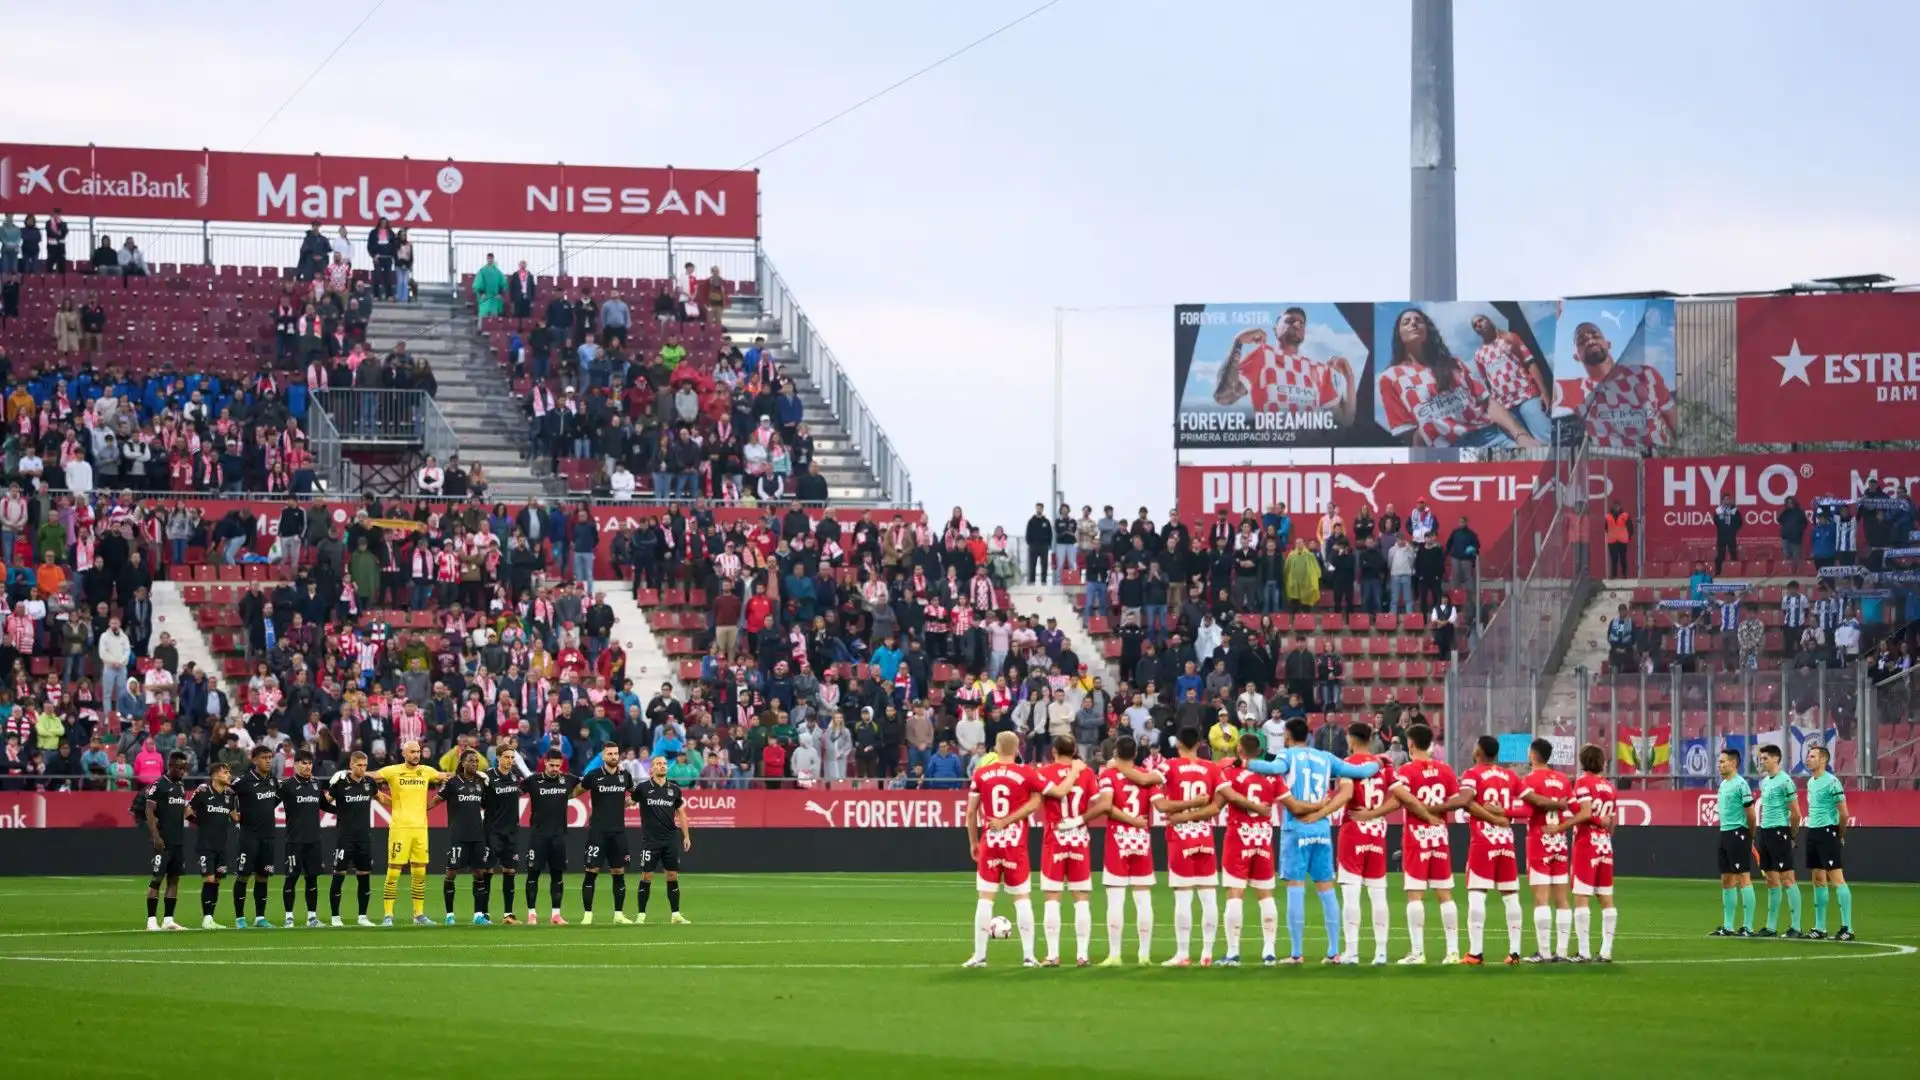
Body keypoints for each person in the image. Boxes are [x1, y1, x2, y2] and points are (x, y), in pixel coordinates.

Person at [1177, 732, 1323, 966]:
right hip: (1263, 839)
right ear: (1259, 752)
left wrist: (1184, 816)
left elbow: (1216, 808)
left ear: (1240, 751)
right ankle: (1269, 952)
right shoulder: (1272, 776)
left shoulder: (1232, 774)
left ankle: (1233, 953)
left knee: (1236, 893)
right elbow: (1295, 807)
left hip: (1239, 838)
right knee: (1265, 894)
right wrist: (1319, 805)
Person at [1244, 717, 1378, 963]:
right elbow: (1363, 772)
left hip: (1296, 828)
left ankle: (1296, 953)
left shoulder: (1287, 755)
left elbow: (1273, 769)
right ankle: (1334, 951)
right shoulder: (1326, 758)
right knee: (1326, 889)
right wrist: (1378, 763)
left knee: (1296, 889)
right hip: (1322, 829)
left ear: (1287, 734)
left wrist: (1246, 763)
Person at [963, 731, 1045, 968]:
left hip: (991, 840)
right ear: (1017, 749)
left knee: (985, 899)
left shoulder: (981, 773)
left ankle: (979, 956)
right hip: (1015, 843)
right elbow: (1037, 800)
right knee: (1021, 899)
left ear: (996, 749)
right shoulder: (1027, 773)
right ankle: (1029, 956)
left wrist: (973, 841)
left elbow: (970, 812)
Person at [1150, 726, 1224, 966]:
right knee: (1208, 895)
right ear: (1199, 744)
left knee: (1183, 896)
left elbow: (1155, 790)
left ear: (1179, 743)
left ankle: (1182, 953)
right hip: (1204, 835)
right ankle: (1207, 953)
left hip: (1180, 838)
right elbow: (1216, 806)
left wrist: (1182, 815)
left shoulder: (1169, 766)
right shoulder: (1211, 768)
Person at [1336, 720, 1408, 965]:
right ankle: (1381, 952)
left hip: (1353, 829)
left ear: (1351, 740)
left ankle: (1352, 952)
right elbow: (1399, 800)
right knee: (1378, 894)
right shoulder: (1383, 765)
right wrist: (1375, 813)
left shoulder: (1347, 765)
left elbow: (1345, 794)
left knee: (1351, 893)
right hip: (1377, 831)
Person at [1394, 723, 1462, 963]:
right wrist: (1436, 815)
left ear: (1411, 744)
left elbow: (1402, 798)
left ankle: (1417, 952)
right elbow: (1456, 801)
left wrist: (1424, 813)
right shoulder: (1445, 770)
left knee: (1415, 894)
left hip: (1416, 838)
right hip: (1440, 836)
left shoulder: (1407, 771)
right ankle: (1453, 952)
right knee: (1445, 894)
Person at [1093, 735, 1160, 966]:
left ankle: (1114, 954)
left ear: (1115, 753)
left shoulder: (1108, 775)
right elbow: (1159, 805)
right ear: (1135, 754)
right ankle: (1144, 955)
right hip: (1141, 838)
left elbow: (1107, 807)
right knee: (1143, 899)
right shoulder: (1145, 777)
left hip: (1118, 838)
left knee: (1116, 899)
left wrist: (1129, 819)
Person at [1548, 744, 1619, 962]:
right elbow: (1613, 823)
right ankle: (1606, 951)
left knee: (1581, 896)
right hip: (1605, 845)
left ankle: (1584, 951)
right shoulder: (1610, 787)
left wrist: (1561, 827)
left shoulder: (1582, 782)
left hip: (1587, 844)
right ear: (1601, 762)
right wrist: (1603, 830)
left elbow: (1585, 813)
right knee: (1606, 898)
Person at [1032, 736, 1098, 965]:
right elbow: (1099, 804)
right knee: (1081, 898)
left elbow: (1044, 797)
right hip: (1079, 838)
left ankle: (1052, 955)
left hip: (1054, 838)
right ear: (1075, 751)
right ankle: (1082, 955)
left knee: (1052, 897)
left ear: (1054, 752)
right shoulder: (1087, 773)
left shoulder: (1044, 772)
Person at [1459, 735, 1523, 965]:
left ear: (1478, 752)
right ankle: (1515, 952)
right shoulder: (1510, 776)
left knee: (1477, 892)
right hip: (1506, 841)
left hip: (1483, 841)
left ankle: (1475, 953)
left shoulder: (1471, 774)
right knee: (1510, 895)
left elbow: (1466, 801)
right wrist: (1505, 814)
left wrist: (1491, 816)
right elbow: (1530, 806)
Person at [373, 739, 447, 926]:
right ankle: (388, 915)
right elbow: (371, 777)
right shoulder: (392, 770)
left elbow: (446, 776)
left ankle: (419, 915)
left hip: (420, 829)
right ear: (404, 754)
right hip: (400, 828)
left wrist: (475, 773)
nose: (416, 755)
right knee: (393, 873)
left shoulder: (426, 771)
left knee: (420, 873)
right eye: (412, 752)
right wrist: (348, 773)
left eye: (418, 752)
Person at [1515, 738, 1574, 962]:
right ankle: (1562, 951)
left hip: (1539, 841)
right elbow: (1570, 805)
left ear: (1532, 754)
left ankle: (1544, 952)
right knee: (1562, 899)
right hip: (1559, 840)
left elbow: (1527, 810)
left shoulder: (1528, 780)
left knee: (1541, 899)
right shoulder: (1563, 780)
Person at [429, 749, 492, 925]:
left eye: (476, 761)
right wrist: (422, 810)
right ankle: (450, 914)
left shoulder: (481, 783)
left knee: (479, 874)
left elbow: (488, 805)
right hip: (458, 835)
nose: (474, 764)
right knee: (451, 873)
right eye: (471, 761)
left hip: (478, 835)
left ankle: (478, 915)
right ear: (462, 762)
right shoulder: (452, 783)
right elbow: (437, 800)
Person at [632, 754, 693, 924]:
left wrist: (686, 836)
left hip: (670, 839)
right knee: (646, 876)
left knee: (672, 875)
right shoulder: (643, 788)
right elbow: (629, 801)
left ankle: (675, 914)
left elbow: (681, 812)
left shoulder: (674, 789)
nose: (662, 766)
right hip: (650, 840)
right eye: (658, 763)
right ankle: (641, 915)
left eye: (664, 763)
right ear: (652, 768)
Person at [577, 743, 634, 924]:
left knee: (618, 872)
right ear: (603, 756)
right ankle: (587, 914)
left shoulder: (625, 775)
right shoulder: (593, 776)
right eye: (610, 753)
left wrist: (630, 800)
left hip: (618, 832)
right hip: (598, 832)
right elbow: (576, 791)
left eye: (616, 753)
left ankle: (618, 914)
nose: (613, 756)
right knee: (591, 871)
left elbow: (635, 792)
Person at [1802, 745, 1853, 941]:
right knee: (1818, 879)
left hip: (1827, 833)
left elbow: (1844, 813)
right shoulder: (1810, 782)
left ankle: (1847, 927)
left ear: (1823, 760)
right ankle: (1820, 928)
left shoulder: (1832, 782)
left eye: (1812, 756)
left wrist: (1839, 833)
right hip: (1813, 832)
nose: (1808, 759)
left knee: (1837, 879)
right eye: (1808, 756)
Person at [522, 750, 578, 924]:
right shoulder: (533, 780)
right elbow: (512, 792)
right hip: (538, 835)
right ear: (545, 762)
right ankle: (532, 914)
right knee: (533, 874)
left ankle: (556, 914)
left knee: (557, 875)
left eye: (557, 765)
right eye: (551, 765)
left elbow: (588, 784)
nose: (555, 768)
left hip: (558, 836)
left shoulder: (568, 779)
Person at [323, 752, 378, 926]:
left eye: (365, 765)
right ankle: (335, 917)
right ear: (351, 765)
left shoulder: (369, 783)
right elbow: (324, 803)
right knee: (339, 875)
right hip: (345, 838)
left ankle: (362, 916)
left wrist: (400, 804)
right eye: (359, 765)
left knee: (364, 875)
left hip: (364, 838)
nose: (363, 769)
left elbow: (380, 797)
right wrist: (336, 811)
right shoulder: (340, 783)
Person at [1754, 744, 1803, 938]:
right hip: (1764, 832)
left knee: (1788, 878)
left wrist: (1790, 835)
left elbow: (1796, 814)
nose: (1762, 761)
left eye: (1765, 758)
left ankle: (1796, 927)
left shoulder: (1786, 781)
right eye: (1762, 758)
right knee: (1771, 880)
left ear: (1776, 759)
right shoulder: (1765, 782)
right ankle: (1771, 927)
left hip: (1779, 832)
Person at [231, 746, 282, 928]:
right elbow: (226, 792)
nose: (268, 760)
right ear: (254, 760)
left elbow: (274, 800)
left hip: (268, 836)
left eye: (270, 757)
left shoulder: (274, 782)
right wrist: (232, 813)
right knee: (243, 876)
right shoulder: (244, 781)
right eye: (263, 757)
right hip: (249, 836)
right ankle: (240, 918)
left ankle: (260, 917)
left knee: (263, 876)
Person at [142, 750, 192, 931]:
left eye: (184, 768)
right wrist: (155, 835)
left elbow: (184, 811)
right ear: (170, 766)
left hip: (178, 841)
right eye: (179, 768)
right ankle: (151, 920)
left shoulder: (180, 786)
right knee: (157, 879)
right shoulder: (159, 785)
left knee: (174, 879)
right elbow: (149, 810)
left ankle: (168, 920)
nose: (182, 771)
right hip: (163, 841)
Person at [276, 749, 326, 928]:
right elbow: (270, 804)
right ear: (296, 764)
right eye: (303, 763)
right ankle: (289, 916)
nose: (307, 766)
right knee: (291, 878)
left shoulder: (316, 783)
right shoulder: (287, 784)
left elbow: (324, 804)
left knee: (312, 878)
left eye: (310, 763)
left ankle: (312, 917)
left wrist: (344, 810)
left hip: (314, 840)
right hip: (294, 840)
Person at [1711, 748, 1757, 937]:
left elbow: (1751, 815)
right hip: (1725, 834)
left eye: (1723, 762)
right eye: (1719, 762)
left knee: (1742, 878)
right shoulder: (1723, 784)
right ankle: (1728, 926)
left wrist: (1749, 836)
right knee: (1726, 879)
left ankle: (1748, 926)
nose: (1719, 765)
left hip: (1738, 833)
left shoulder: (1741, 784)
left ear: (1733, 763)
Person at [188, 762, 238, 929]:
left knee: (216, 881)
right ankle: (206, 918)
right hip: (206, 844)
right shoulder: (203, 791)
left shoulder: (230, 795)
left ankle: (211, 918)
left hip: (221, 845)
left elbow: (235, 816)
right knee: (209, 879)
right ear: (215, 775)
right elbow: (188, 811)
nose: (228, 775)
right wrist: (200, 823)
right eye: (225, 772)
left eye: (229, 772)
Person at [482, 745, 524, 924]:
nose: (510, 760)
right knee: (488, 870)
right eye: (506, 757)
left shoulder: (516, 776)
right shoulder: (488, 777)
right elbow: (481, 801)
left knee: (510, 870)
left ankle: (508, 914)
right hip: (492, 831)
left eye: (512, 757)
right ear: (498, 757)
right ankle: (483, 914)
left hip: (511, 831)